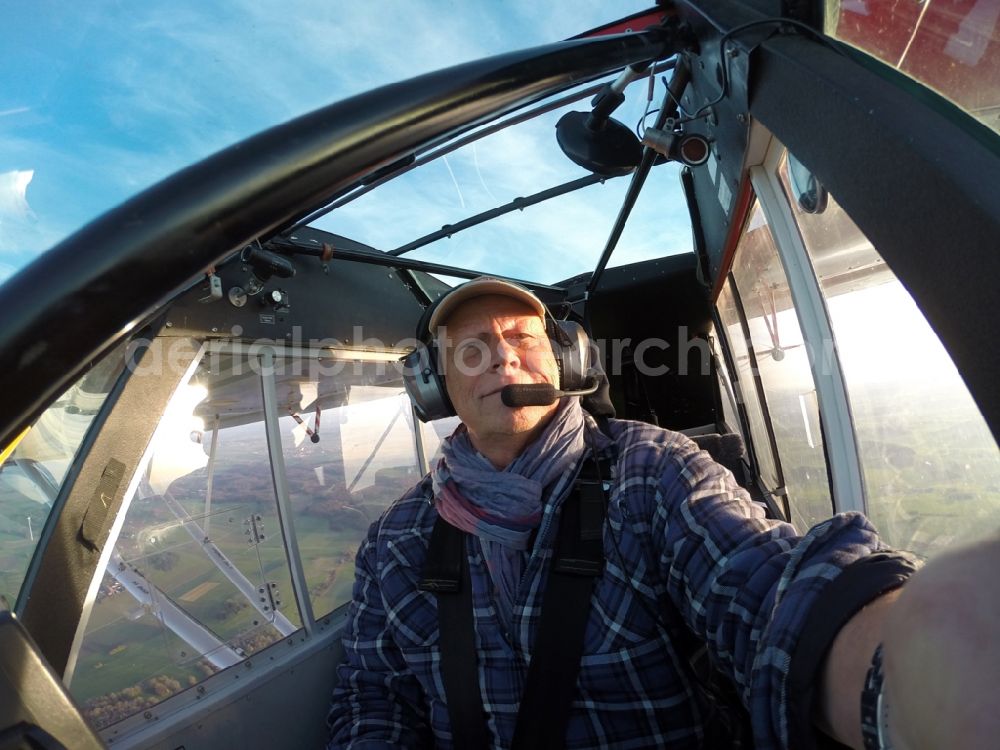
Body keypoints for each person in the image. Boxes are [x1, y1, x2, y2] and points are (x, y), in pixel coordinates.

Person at [327, 277, 999, 749]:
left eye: (522, 338)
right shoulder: (397, 540)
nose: (503, 355)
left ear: (565, 360)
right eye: (472, 348)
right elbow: (373, 699)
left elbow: (763, 590)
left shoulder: (652, 470)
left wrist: (910, 685)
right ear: (435, 386)